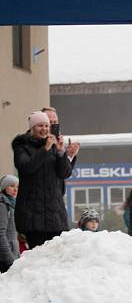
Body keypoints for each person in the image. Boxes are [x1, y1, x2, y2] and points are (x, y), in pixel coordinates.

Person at [13, 111, 78, 249]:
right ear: (32, 128)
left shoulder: (55, 146)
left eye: (47, 126)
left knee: (56, 256)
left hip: (54, 214)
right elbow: (26, 168)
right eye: (40, 126)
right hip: (33, 214)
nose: (44, 129)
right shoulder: (22, 146)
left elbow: (65, 173)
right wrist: (45, 148)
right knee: (38, 257)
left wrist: (62, 153)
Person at [0, 175, 20, 273]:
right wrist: (9, 258)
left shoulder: (12, 203)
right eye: (12, 186)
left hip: (13, 252)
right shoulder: (3, 205)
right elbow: (1, 233)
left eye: (17, 187)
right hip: (5, 255)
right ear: (4, 187)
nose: (15, 189)